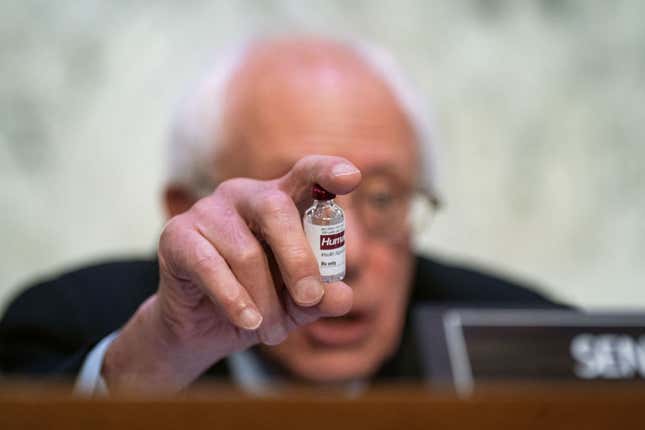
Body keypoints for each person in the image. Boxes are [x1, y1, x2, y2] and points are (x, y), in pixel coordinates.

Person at [0, 35, 561, 394]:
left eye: (385, 198)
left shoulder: (527, 339)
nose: (352, 255)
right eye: (303, 206)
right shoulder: (66, 322)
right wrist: (146, 367)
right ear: (188, 207)